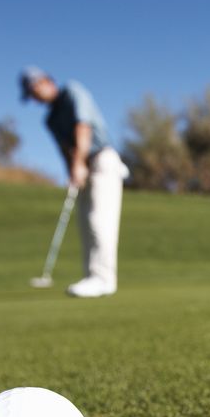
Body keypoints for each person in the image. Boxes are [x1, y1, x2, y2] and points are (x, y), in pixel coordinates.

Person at [20, 66, 129, 298]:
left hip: (102, 160)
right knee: (85, 224)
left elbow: (83, 127)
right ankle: (92, 276)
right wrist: (72, 171)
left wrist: (79, 163)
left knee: (100, 221)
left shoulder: (72, 91)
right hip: (82, 167)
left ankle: (103, 279)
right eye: (30, 94)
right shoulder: (49, 120)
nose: (35, 97)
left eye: (34, 89)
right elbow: (64, 149)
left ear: (46, 81)